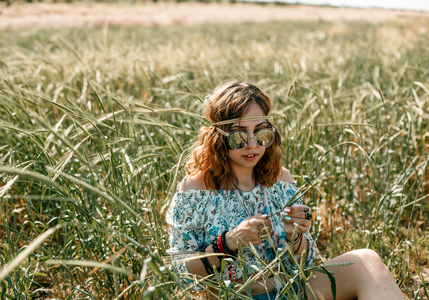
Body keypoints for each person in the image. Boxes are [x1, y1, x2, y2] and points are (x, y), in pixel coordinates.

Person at [166, 81, 405, 300]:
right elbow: (180, 270)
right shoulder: (195, 189)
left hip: (293, 290)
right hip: (238, 296)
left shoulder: (280, 179)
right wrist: (228, 242)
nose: (252, 144)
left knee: (366, 260)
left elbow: (306, 260)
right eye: (239, 136)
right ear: (218, 138)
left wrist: (295, 236)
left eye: (261, 132)